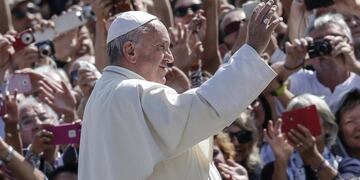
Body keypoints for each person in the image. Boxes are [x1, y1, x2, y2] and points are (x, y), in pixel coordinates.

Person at [79, 0, 282, 179]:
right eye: (161, 47)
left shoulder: (101, 97)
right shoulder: (131, 91)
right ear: (130, 51)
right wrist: (252, 50)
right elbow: (204, 109)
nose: (170, 57)